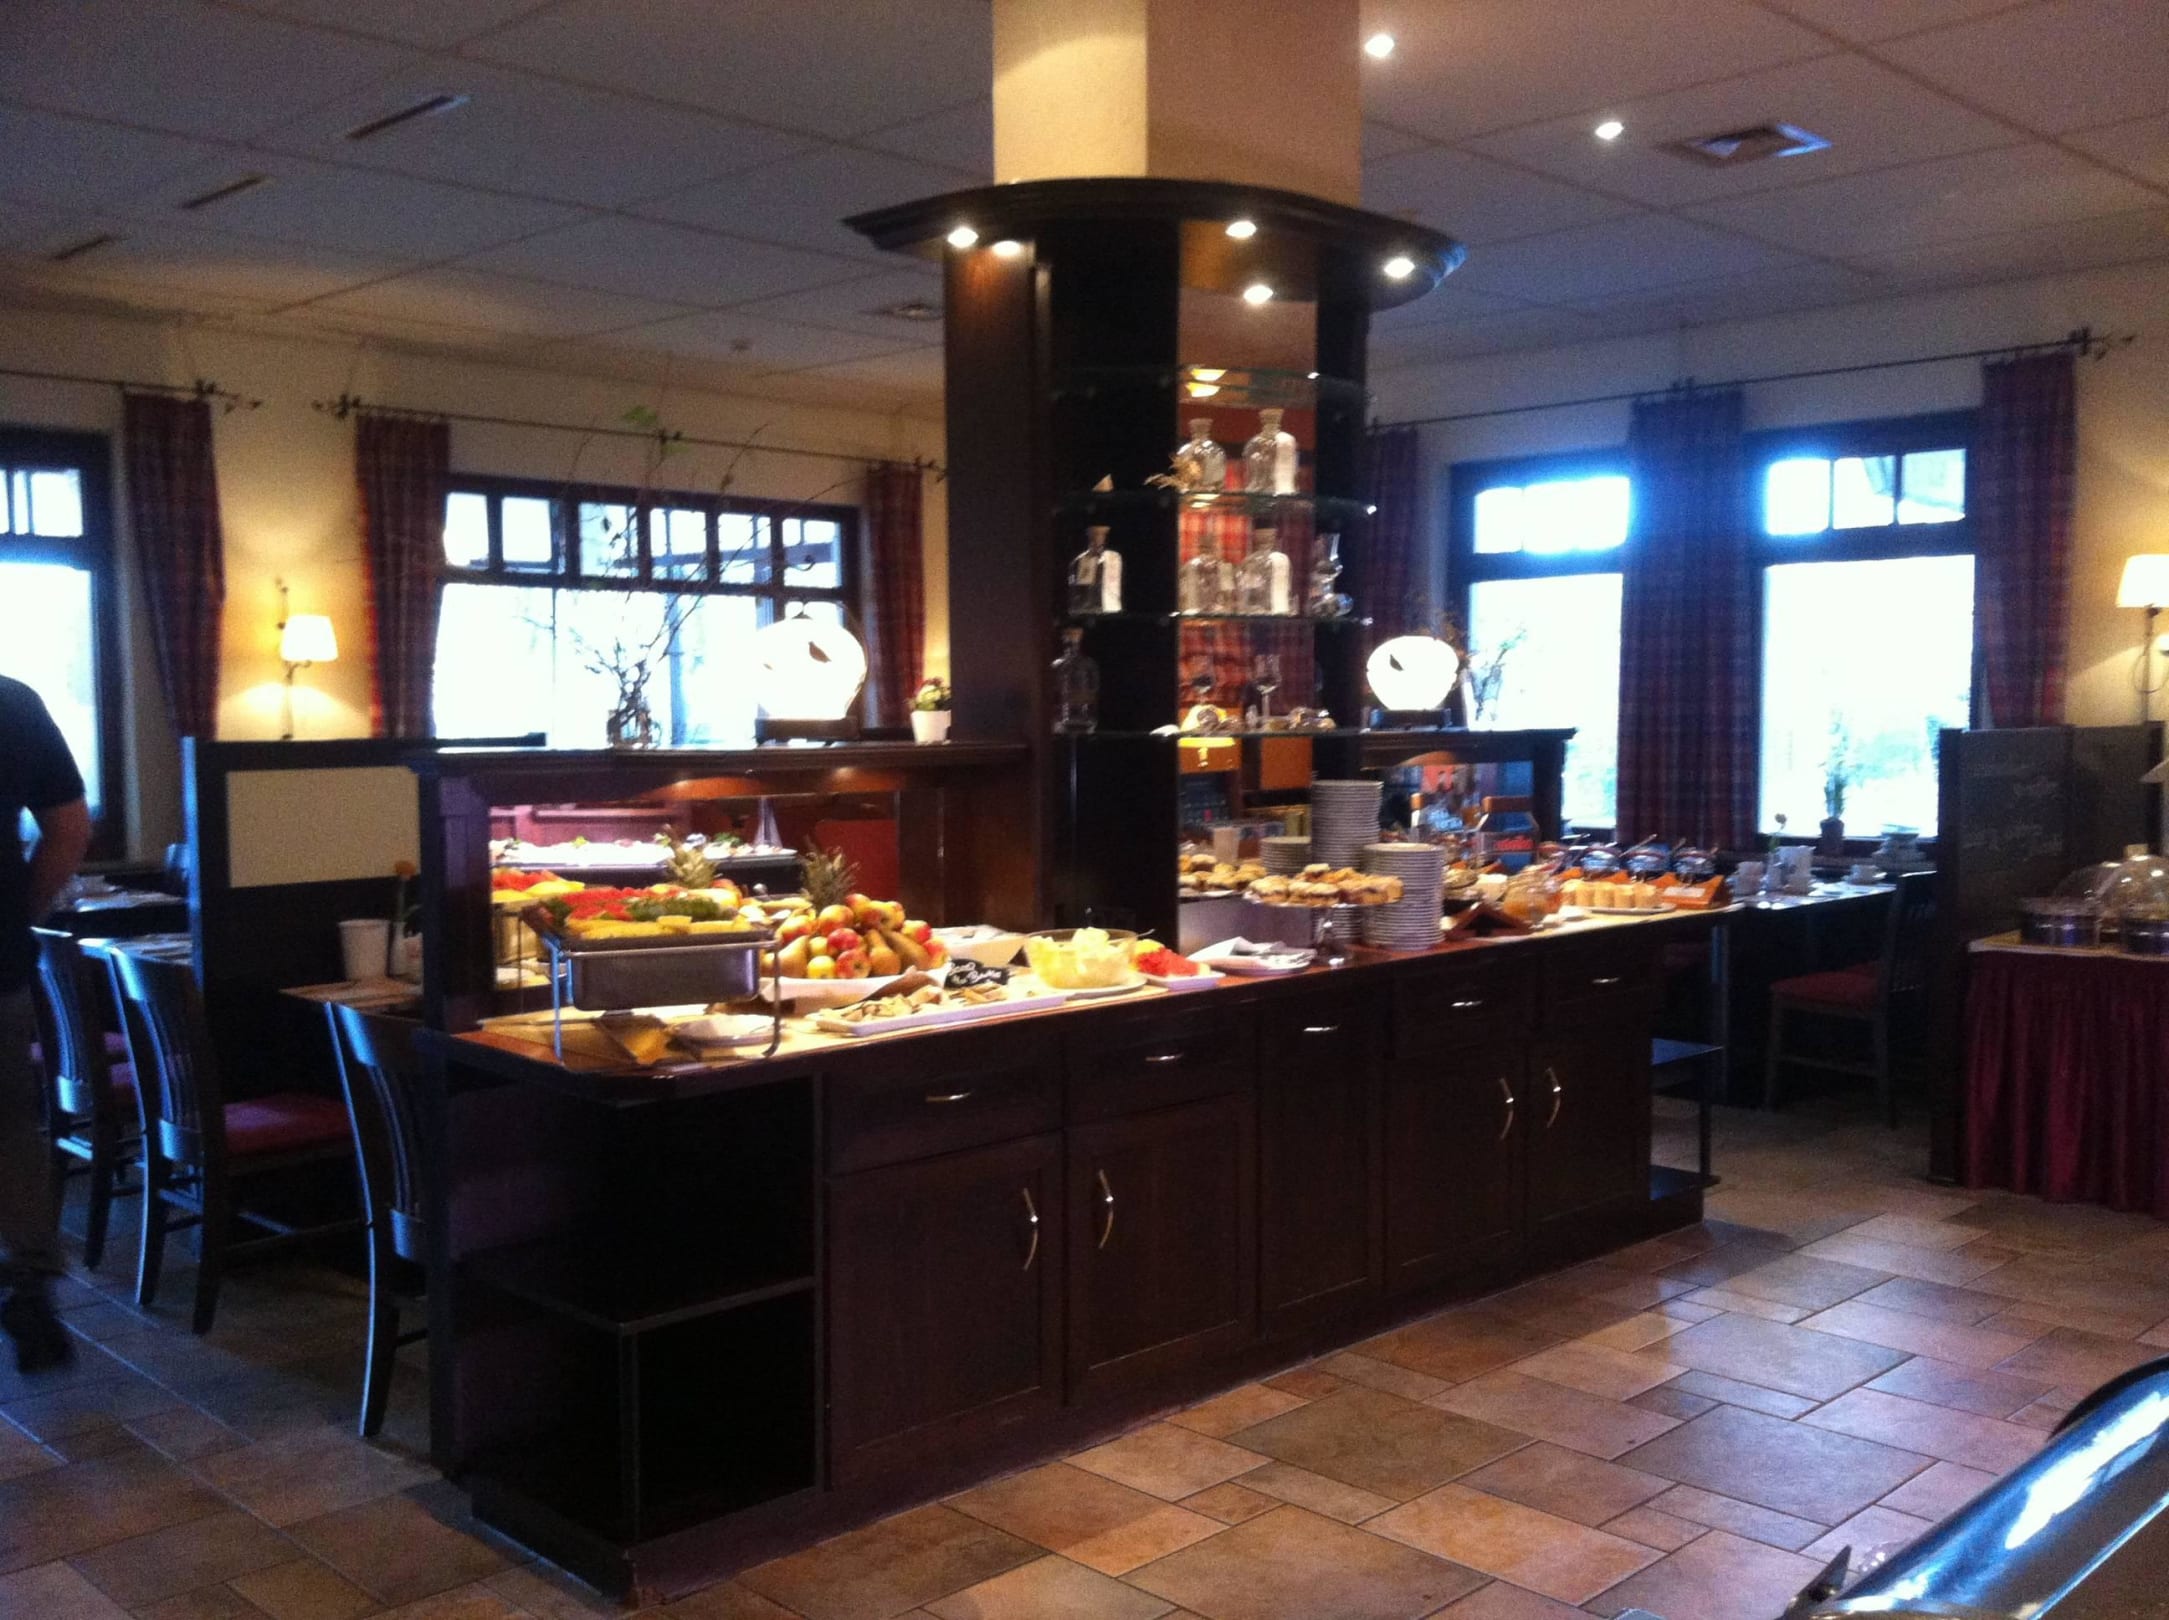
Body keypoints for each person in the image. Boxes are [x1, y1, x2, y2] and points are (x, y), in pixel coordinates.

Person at [1, 675, 92, 1374]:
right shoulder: (10, 702)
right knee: (10, 1128)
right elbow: (68, 828)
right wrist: (16, 914)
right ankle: (28, 1283)